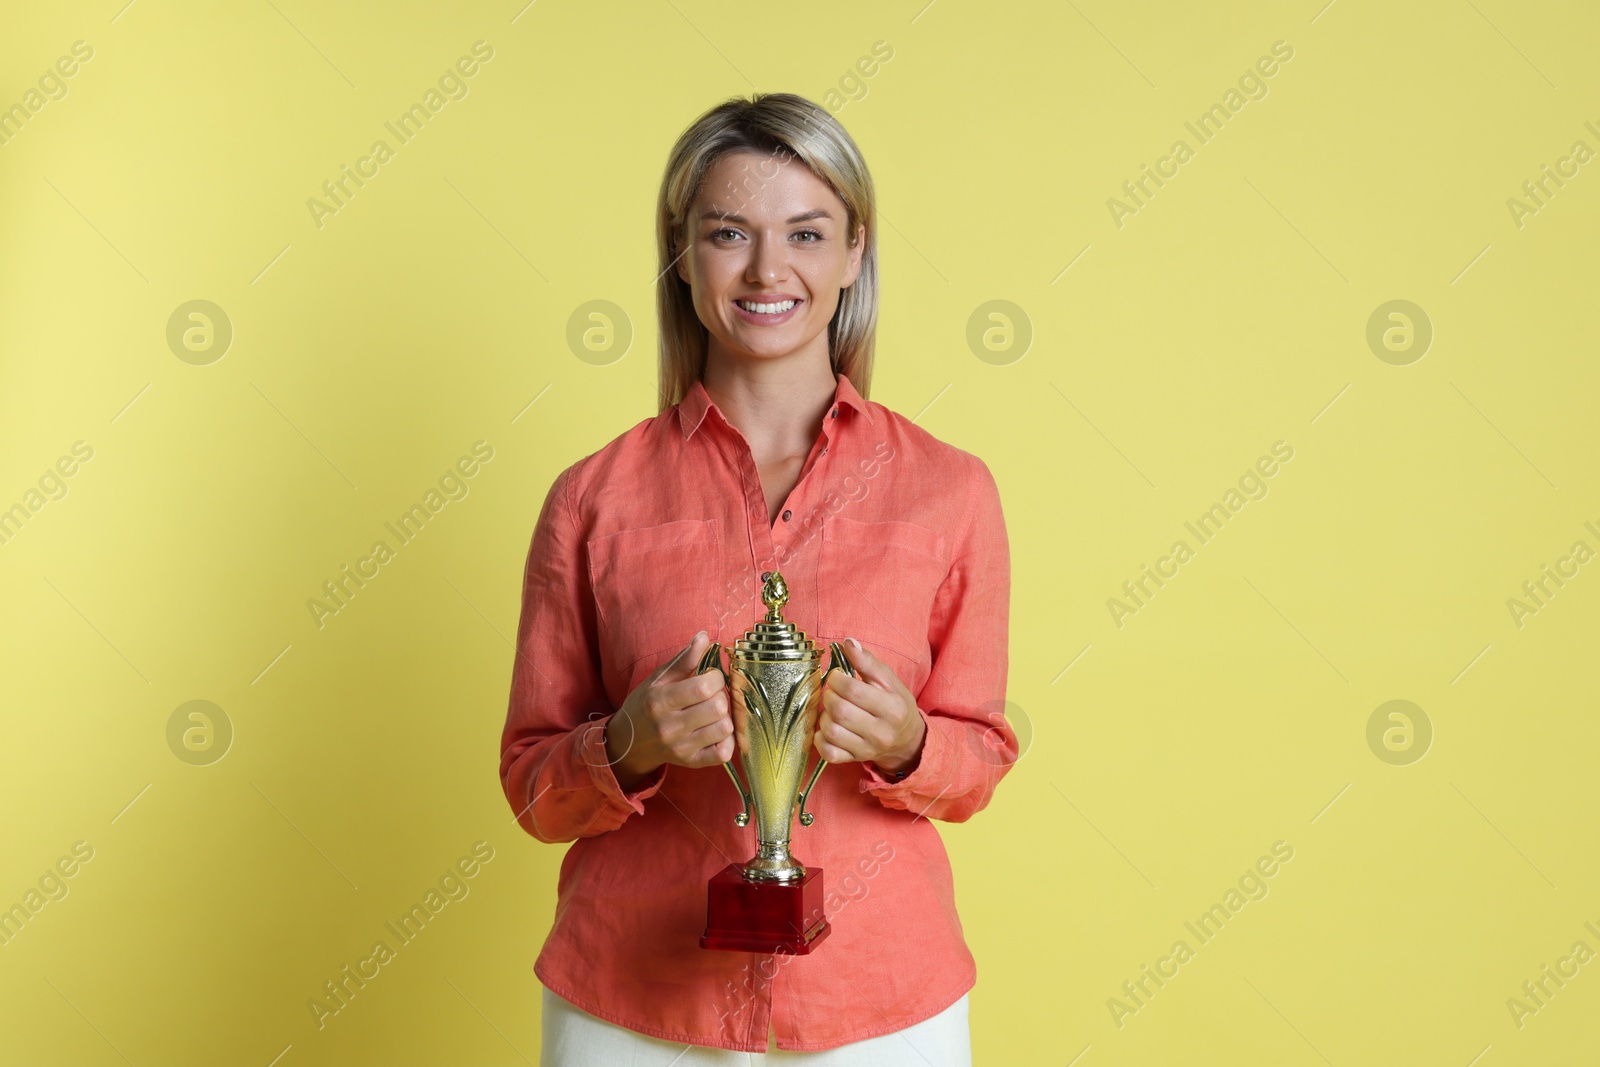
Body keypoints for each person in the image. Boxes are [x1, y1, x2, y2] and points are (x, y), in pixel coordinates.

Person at [500, 91, 1016, 1066]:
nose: (768, 269)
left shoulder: (950, 490)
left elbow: (981, 754)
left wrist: (909, 742)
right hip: (631, 1009)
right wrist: (627, 744)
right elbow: (533, 787)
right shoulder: (591, 497)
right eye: (728, 232)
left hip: (879, 1001)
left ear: (854, 252)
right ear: (682, 255)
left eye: (806, 233)